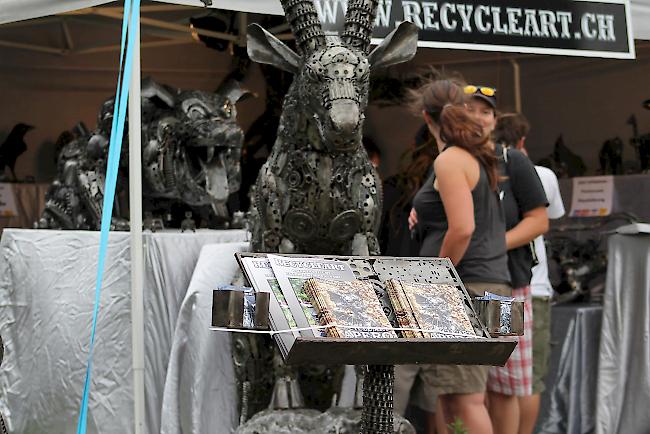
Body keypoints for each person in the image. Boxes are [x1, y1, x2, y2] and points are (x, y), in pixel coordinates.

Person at [406, 78, 510, 434]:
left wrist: (437, 279)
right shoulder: (470, 157)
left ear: (425, 117)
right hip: (484, 284)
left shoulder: (451, 159)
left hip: (467, 285)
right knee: (454, 396)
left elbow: (463, 228)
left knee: (465, 398)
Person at [465, 87, 548, 434]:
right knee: (465, 386)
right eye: (470, 110)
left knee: (504, 383)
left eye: (486, 112)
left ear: (495, 121)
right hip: (459, 286)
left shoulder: (512, 160)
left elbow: (538, 220)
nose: (478, 118)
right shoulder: (451, 160)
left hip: (506, 289)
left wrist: (493, 245)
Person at [495, 113, 565, 434]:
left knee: (498, 376)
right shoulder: (544, 175)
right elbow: (554, 216)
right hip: (532, 287)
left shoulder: (490, 170)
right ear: (522, 141)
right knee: (528, 376)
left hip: (499, 285)